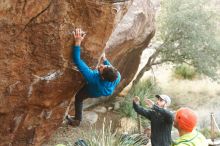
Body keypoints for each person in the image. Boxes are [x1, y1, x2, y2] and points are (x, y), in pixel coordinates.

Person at [66, 28, 121, 127]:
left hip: (92, 90)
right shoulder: (117, 76)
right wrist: (105, 59)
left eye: (101, 68)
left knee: (79, 97)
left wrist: (78, 42)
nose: (101, 66)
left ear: (102, 77)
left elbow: (77, 60)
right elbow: (110, 68)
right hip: (101, 90)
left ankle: (77, 120)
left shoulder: (92, 78)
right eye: (105, 66)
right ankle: (77, 120)